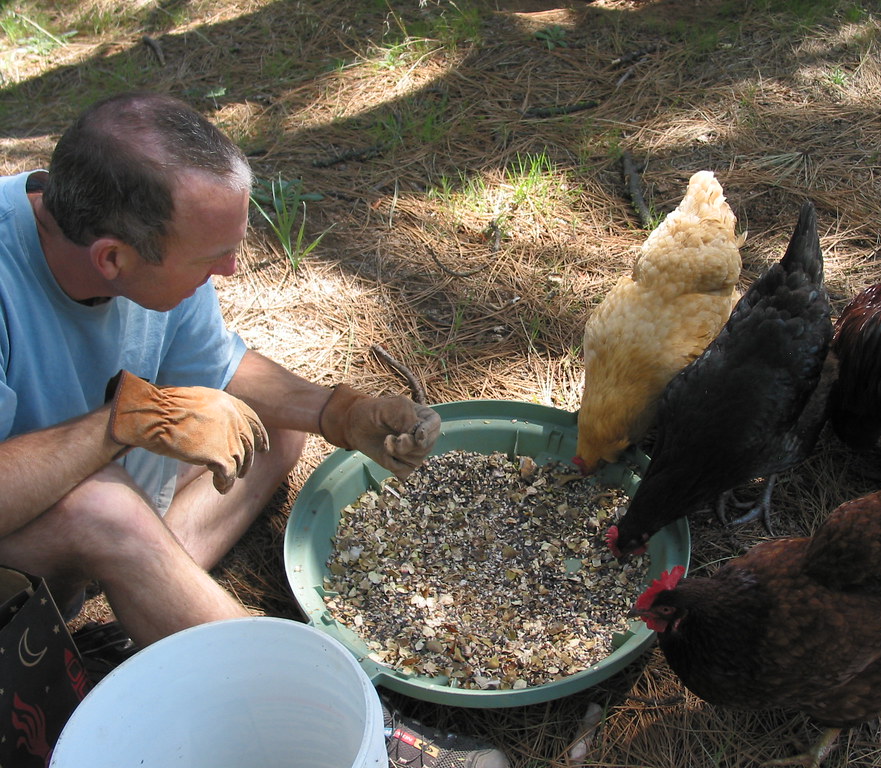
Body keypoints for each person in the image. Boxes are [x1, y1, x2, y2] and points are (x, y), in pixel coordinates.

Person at [0, 91, 507, 768]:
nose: (230, 270)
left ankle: (150, 596)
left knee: (266, 429)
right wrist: (120, 426)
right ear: (112, 259)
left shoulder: (137, 239)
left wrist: (338, 412)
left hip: (81, 491)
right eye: (210, 256)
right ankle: (361, 729)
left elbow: (218, 367)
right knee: (102, 507)